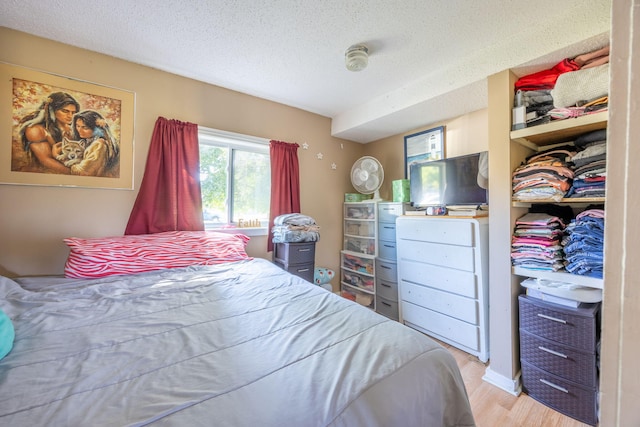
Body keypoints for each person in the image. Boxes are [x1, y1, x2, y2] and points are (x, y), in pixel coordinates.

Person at [18, 92, 80, 174]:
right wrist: (76, 174)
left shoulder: (76, 129)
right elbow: (46, 160)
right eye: (65, 111)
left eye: (73, 112)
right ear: (52, 110)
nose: (70, 116)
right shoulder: (36, 130)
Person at [67, 110, 119, 177]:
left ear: (96, 129)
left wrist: (59, 158)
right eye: (77, 126)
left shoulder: (99, 144)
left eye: (85, 127)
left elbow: (84, 172)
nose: (79, 130)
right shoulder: (89, 141)